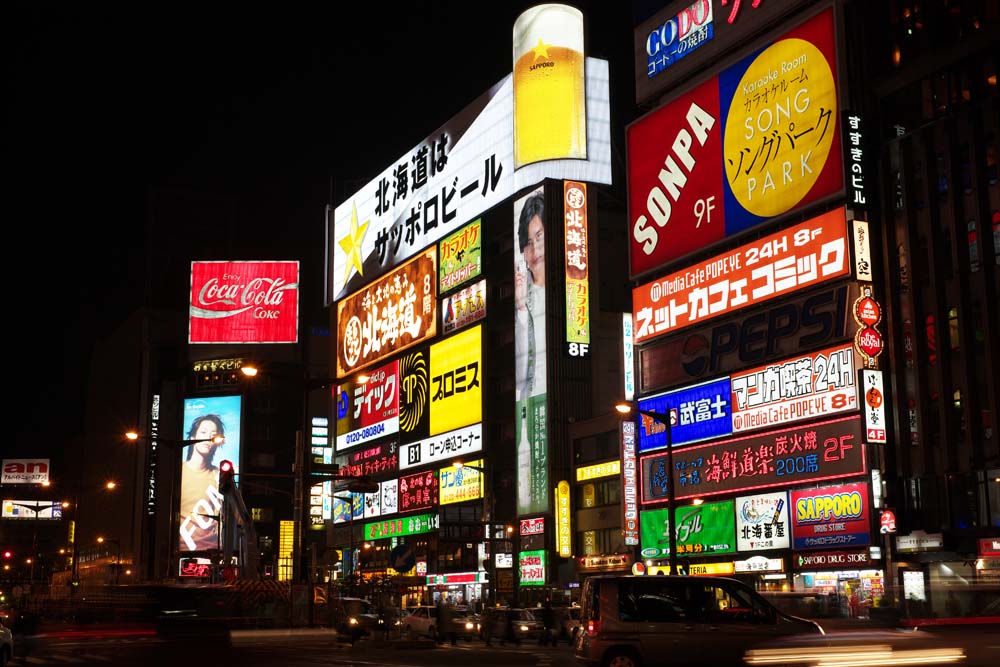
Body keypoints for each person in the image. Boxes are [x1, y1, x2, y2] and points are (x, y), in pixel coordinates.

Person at [514, 191, 547, 403]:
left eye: (539, 237)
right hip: (531, 410)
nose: (534, 250)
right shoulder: (522, 299)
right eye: (528, 243)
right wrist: (521, 308)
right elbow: (519, 378)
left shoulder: (571, 288)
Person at [178, 414, 226, 551]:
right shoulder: (179, 472)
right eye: (203, 432)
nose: (207, 438)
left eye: (213, 434)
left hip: (213, 554)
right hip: (181, 551)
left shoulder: (219, 476)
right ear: (192, 438)